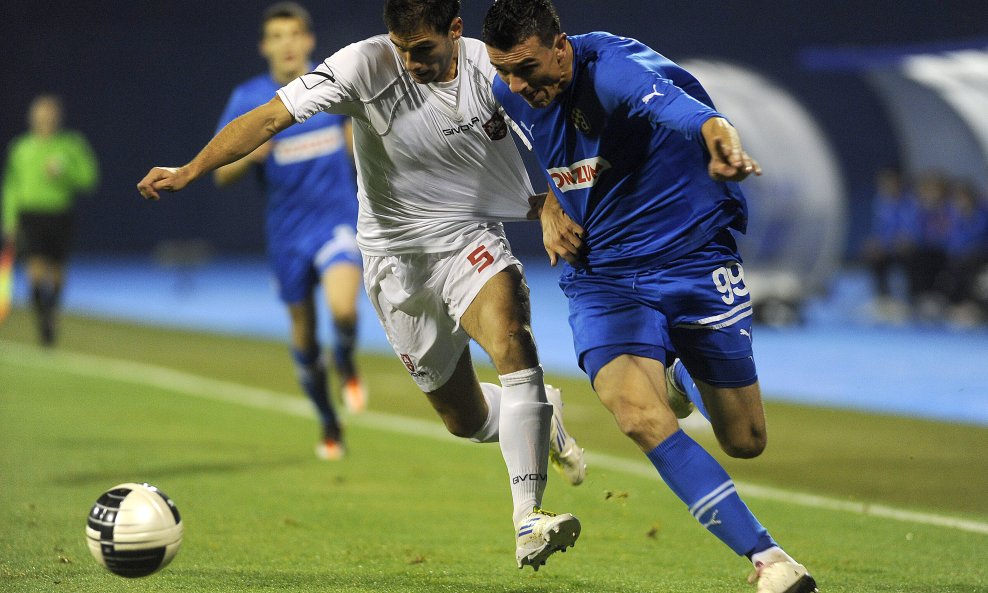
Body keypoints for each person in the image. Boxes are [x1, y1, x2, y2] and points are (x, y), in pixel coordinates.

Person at [138, 0, 584, 571]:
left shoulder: (495, 70)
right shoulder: (362, 66)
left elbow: (563, 122)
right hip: (395, 261)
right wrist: (189, 170)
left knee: (513, 340)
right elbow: (270, 116)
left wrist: (551, 202)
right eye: (399, 46)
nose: (408, 61)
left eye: (421, 49)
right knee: (465, 421)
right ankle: (539, 412)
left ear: (455, 31)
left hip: (469, 238)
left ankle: (528, 521)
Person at [482, 2, 818, 592]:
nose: (516, 85)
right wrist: (546, 205)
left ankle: (675, 372)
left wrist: (720, 137)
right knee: (635, 412)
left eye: (528, 69)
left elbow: (687, 112)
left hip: (689, 258)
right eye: (504, 71)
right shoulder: (506, 91)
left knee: (744, 440)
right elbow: (496, 148)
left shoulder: (612, 68)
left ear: (560, 46)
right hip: (603, 274)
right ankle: (771, 561)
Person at [213, 2, 367, 461]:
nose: (286, 44)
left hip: (335, 223)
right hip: (286, 236)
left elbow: (359, 139)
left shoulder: (331, 85)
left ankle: (345, 358)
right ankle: (328, 422)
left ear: (308, 41)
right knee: (303, 336)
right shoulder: (249, 100)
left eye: (293, 34)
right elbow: (221, 174)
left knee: (343, 309)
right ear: (265, 46)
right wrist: (246, 155)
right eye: (276, 36)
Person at [1, 94, 99, 346]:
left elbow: (89, 179)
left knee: (57, 273)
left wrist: (65, 172)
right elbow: (11, 186)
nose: (45, 120)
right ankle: (43, 318)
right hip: (30, 215)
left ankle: (51, 312)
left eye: (50, 115)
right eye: (41, 115)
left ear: (58, 118)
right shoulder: (21, 148)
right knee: (34, 269)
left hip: (59, 215)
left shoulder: (70, 145)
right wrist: (9, 220)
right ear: (32, 118)